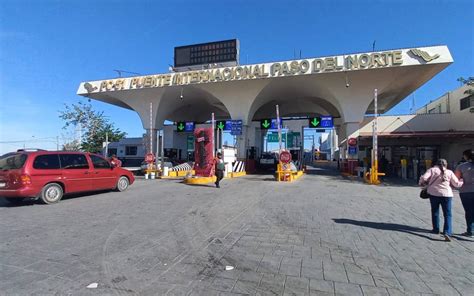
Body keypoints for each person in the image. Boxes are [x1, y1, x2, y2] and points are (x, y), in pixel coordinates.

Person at [419, 159, 463, 241]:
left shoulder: (432, 170)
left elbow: (424, 178)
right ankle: (447, 232)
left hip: (433, 194)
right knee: (448, 214)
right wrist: (462, 181)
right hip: (447, 195)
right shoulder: (449, 172)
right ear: (446, 164)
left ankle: (436, 229)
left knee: (435, 211)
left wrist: (422, 183)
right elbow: (456, 184)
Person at [455, 149, 474, 237]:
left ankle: (470, 230)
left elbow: (456, 180)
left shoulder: (462, 166)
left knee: (469, 211)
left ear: (466, 156)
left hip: (466, 191)